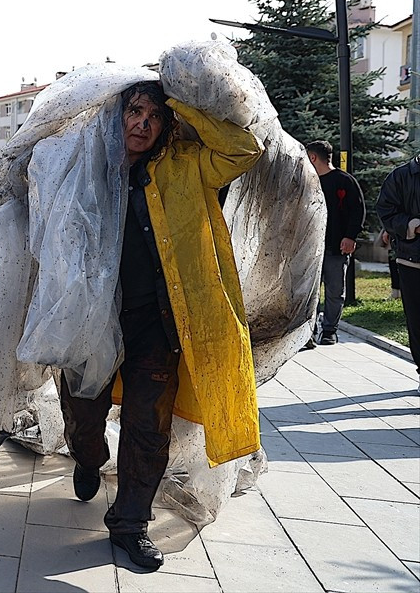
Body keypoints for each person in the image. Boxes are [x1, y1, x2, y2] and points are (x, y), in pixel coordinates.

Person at [59, 81, 262, 570]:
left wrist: (180, 99)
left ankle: (130, 523)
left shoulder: (187, 164)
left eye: (153, 116)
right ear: (119, 116)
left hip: (159, 323)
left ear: (167, 124)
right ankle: (88, 457)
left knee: (149, 427)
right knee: (83, 414)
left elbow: (243, 150)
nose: (142, 124)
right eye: (135, 112)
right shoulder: (90, 166)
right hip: (93, 321)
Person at [304, 140, 365, 346]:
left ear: (313, 157)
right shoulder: (307, 181)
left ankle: (329, 331)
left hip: (336, 247)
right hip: (310, 248)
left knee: (335, 291)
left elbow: (357, 211)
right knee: (309, 292)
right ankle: (308, 333)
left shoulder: (344, 181)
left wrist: (350, 236)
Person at [376, 154, 420, 388]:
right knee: (417, 320)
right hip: (413, 260)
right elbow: (386, 211)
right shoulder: (401, 176)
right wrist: (414, 225)